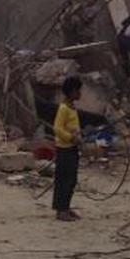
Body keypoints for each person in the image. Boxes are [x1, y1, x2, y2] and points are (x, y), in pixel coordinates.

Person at [52, 75, 83, 222]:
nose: (80, 93)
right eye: (78, 90)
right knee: (64, 179)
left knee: (71, 180)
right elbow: (57, 128)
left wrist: (78, 136)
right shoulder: (63, 108)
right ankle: (61, 211)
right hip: (64, 149)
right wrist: (71, 138)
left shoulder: (72, 108)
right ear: (71, 91)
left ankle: (66, 207)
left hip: (72, 148)